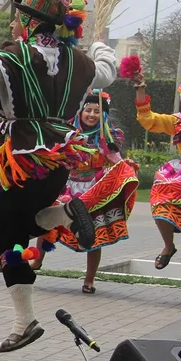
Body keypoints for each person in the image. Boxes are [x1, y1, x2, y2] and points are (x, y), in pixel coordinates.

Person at [0, 0, 115, 351]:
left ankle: (25, 322)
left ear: (30, 21)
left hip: (21, 160)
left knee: (9, 242)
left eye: (18, 16)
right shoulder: (81, 63)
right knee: (27, 224)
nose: (13, 22)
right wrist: (101, 45)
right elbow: (107, 72)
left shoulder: (15, 57)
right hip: (58, 160)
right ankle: (65, 214)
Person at [36, 91, 137, 293]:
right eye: (88, 110)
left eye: (97, 111)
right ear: (80, 112)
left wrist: (127, 166)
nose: (91, 114)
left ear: (103, 115)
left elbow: (116, 161)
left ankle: (89, 280)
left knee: (95, 233)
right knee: (48, 221)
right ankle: (37, 261)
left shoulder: (108, 138)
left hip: (92, 190)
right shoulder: (68, 133)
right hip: (67, 185)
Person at [135, 70, 181, 304]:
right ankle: (168, 246)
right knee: (160, 206)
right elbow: (148, 119)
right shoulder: (179, 120)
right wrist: (140, 88)